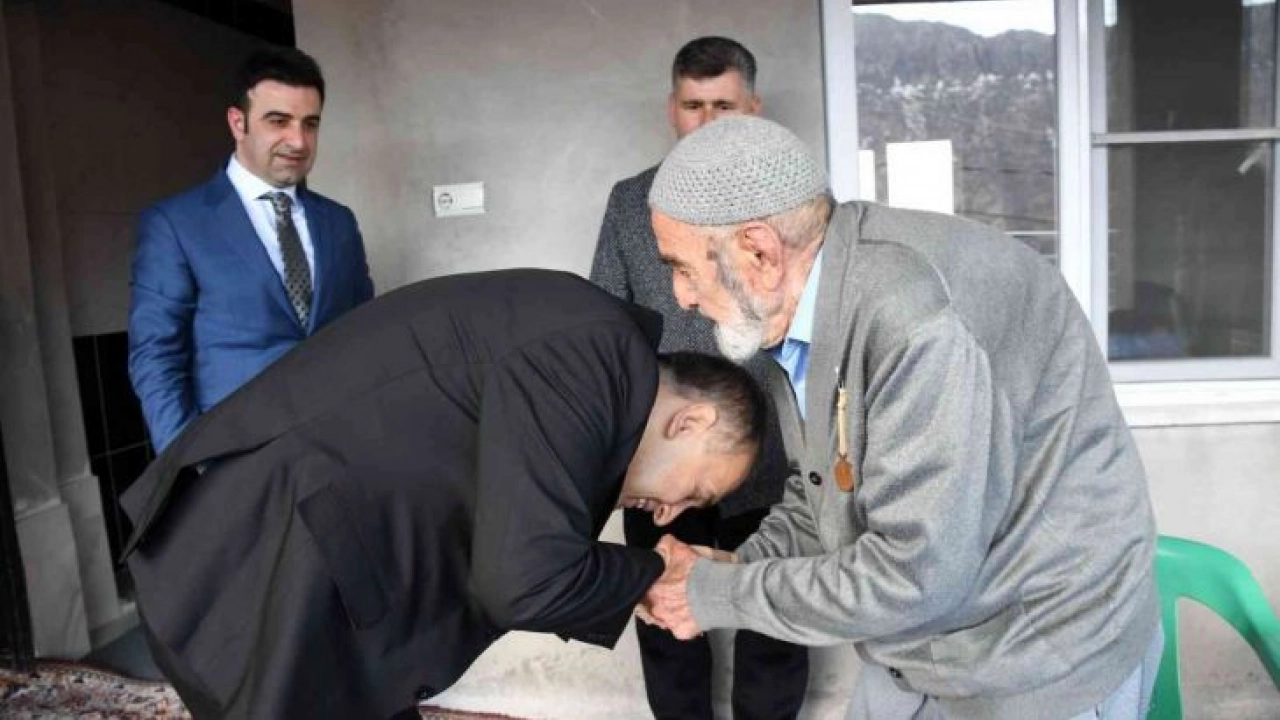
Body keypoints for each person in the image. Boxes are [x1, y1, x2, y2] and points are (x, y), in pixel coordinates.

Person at [640, 116, 1163, 720]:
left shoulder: (911, 320)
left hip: (1038, 659)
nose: (681, 296)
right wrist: (741, 564)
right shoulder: (803, 311)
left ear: (759, 252)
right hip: (931, 641)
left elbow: (916, 573)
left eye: (682, 267)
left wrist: (717, 595)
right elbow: (827, 487)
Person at [117, 269, 766, 720]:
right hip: (264, 572)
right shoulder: (595, 354)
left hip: (315, 577)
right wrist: (652, 574)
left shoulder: (591, 347)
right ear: (691, 421)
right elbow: (524, 580)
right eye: (696, 491)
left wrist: (637, 581)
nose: (671, 513)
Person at [589, 36, 808, 720]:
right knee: (667, 618)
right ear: (672, 108)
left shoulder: (791, 204)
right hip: (665, 453)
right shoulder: (632, 202)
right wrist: (631, 447)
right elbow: (608, 329)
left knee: (773, 618)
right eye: (693, 105)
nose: (707, 121)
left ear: (754, 108)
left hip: (773, 454)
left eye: (724, 105)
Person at [128, 46, 374, 452]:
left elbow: (364, 332)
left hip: (338, 443)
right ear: (237, 122)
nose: (298, 141)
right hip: (237, 454)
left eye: (310, 124)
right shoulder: (176, 224)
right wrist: (187, 462)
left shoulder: (339, 222)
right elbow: (157, 356)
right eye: (278, 121)